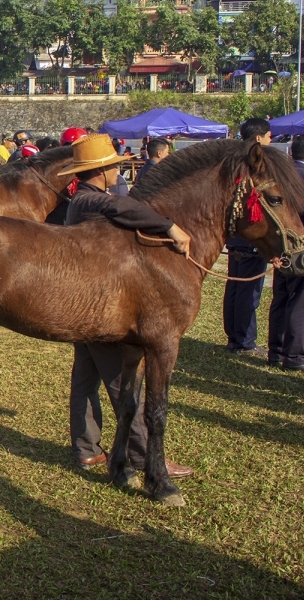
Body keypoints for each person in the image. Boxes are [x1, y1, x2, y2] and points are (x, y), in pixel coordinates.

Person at [59, 134, 194, 478]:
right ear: (100, 170)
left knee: (85, 380)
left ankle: (87, 449)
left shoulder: (83, 199)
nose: (118, 172)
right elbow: (123, 208)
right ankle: (144, 455)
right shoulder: (90, 200)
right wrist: (170, 227)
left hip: (87, 303)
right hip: (100, 305)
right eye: (114, 166)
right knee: (123, 385)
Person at [267, 134, 304, 373]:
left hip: (282, 247)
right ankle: (294, 354)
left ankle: (275, 350)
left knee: (281, 297)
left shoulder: (282, 176)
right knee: (302, 301)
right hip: (302, 249)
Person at [224, 118, 273, 356]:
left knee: (235, 288)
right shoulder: (253, 164)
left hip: (235, 235)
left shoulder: (232, 160)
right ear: (258, 138)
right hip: (249, 234)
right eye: (269, 136)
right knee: (247, 291)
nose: (271, 140)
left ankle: (234, 337)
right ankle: (244, 341)